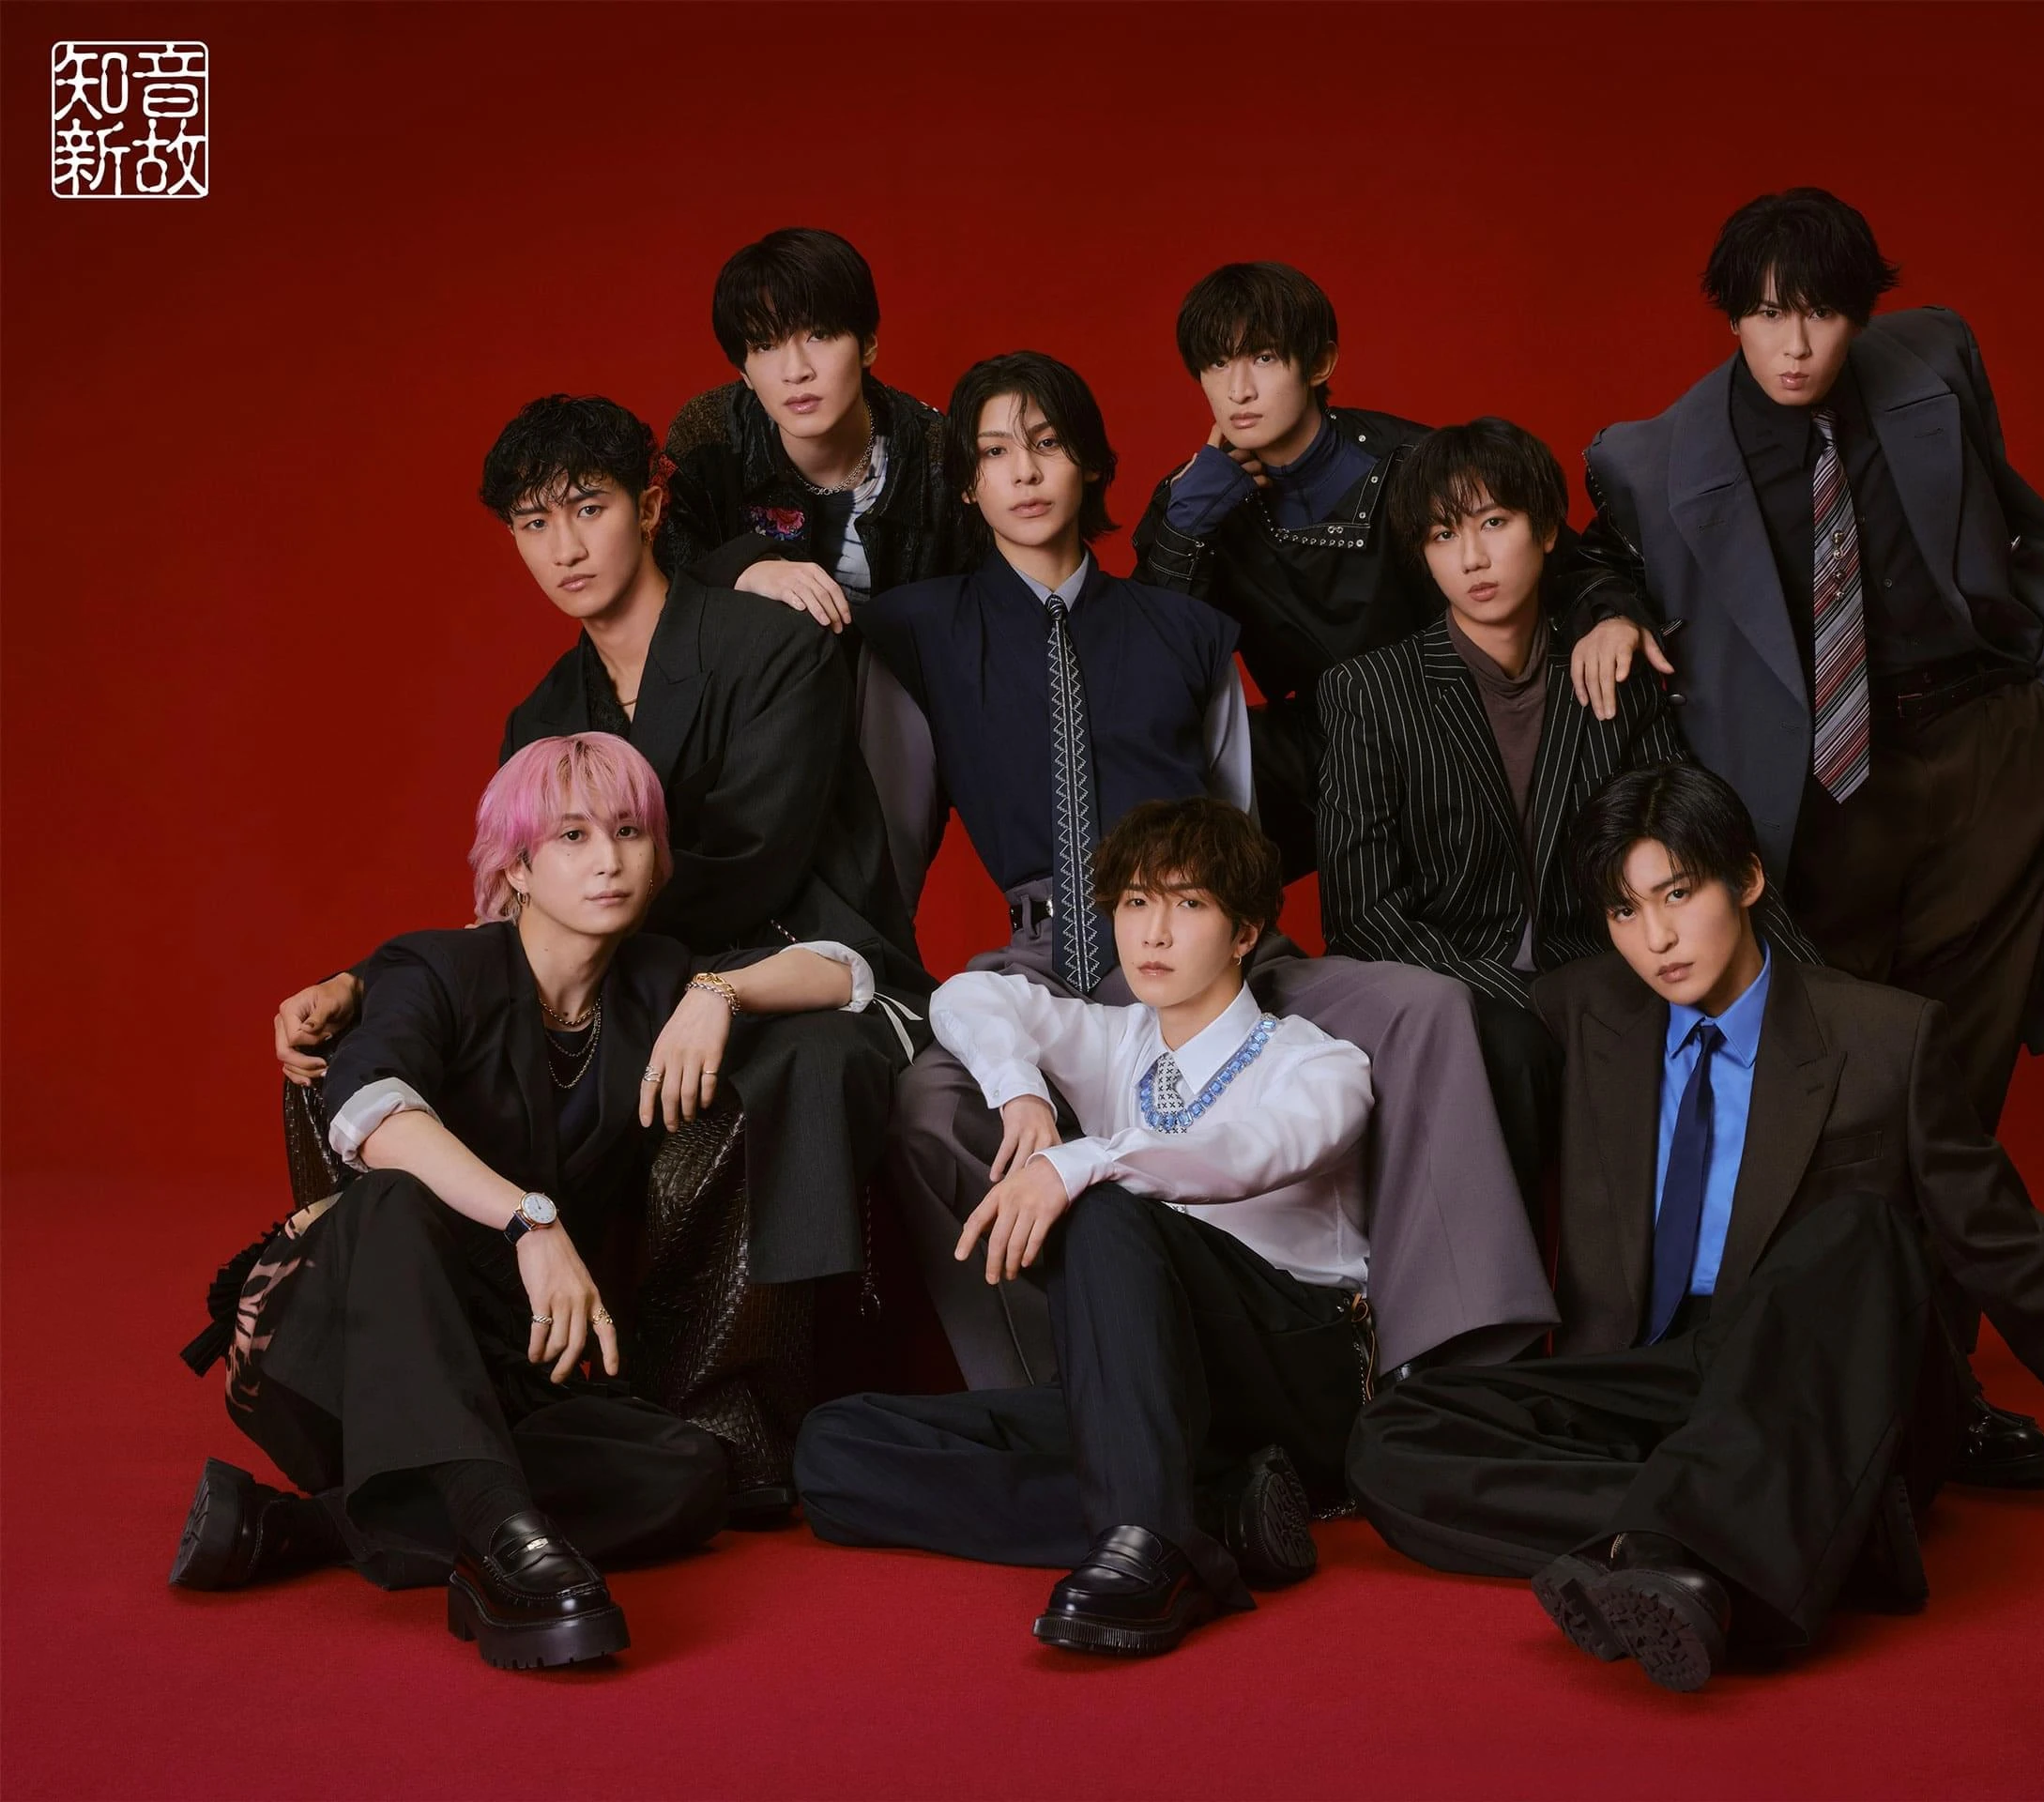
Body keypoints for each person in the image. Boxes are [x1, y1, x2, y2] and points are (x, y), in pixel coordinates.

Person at [1345, 762, 2044, 1694]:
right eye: (1624, 911)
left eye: (1678, 894)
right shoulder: (1581, 1011)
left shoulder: (1886, 1038)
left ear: (1746, 879)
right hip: (1658, 1377)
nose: (1657, 938)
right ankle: (1750, 1535)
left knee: (1859, 1231)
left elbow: (2013, 1255)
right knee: (1393, 1437)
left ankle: (1709, 1528)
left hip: (1811, 1387)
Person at [1573, 188, 2044, 1483]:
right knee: (1838, 1094)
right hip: (1814, 803)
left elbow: (2022, 516)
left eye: (1824, 314)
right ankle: (1845, 1390)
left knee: (1954, 1084)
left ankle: (1938, 1394)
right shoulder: (1651, 455)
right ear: (1729, 314)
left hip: (1988, 761)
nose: (1796, 345)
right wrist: (1611, 607)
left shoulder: (1937, 359)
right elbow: (1595, 557)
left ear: (1863, 312)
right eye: (1768, 315)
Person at [270, 395, 930, 1510]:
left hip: (794, 958)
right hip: (627, 983)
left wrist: (701, 987)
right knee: (450, 1049)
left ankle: (751, 1409)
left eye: (589, 509)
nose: (565, 547)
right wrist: (360, 980)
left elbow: (751, 862)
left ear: (651, 506)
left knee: (774, 1075)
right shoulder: (542, 714)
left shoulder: (768, 645)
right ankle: (478, 1355)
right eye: (534, 524)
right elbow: (512, 896)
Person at [862, 353, 1555, 1393]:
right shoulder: (917, 632)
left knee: (1426, 1008)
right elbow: (893, 834)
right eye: (996, 453)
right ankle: (1055, 1388)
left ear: (1091, 463)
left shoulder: (1183, 630)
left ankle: (1443, 1358)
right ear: (967, 482)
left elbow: (1235, 822)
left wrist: (1223, 935)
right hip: (1043, 951)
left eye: (1047, 445)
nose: (1025, 473)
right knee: (929, 1104)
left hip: (1212, 937)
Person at [175, 735, 892, 1669]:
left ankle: (308, 1527)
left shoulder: (651, 982)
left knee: (691, 1475)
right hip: (346, 1347)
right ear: (515, 867)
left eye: (629, 832)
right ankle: (505, 1558)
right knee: (395, 1203)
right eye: (572, 836)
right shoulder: (434, 969)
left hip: (498, 1372)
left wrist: (718, 992)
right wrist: (530, 1219)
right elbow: (369, 1112)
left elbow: (849, 974)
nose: (608, 861)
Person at [798, 798, 1374, 1657]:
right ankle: (1212, 1517)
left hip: (1294, 1376)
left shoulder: (1320, 1064)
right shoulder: (1118, 1040)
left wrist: (1081, 1160)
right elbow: (969, 994)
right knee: (834, 1450)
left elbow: (1249, 1153)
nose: (1153, 933)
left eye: (1188, 904)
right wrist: (1020, 1092)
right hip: (1155, 1391)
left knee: (1103, 1208)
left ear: (1245, 932)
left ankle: (1152, 1545)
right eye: (1136, 903)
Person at [1319, 418, 1813, 1215]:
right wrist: (1528, 999)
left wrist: (1819, 996)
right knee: (1514, 1054)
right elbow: (1362, 914)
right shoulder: (1372, 693)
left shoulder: (1611, 672)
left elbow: (1692, 839)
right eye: (1444, 535)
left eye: (1493, 522)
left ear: (1547, 529)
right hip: (1450, 984)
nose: (1472, 559)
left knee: (1730, 1048)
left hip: (1604, 970)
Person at [1132, 262, 1649, 878]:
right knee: (1169, 772)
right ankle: (1213, 934)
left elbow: (1564, 565)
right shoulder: (1194, 497)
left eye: (1263, 358)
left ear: (1319, 363)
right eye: (1217, 364)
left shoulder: (1415, 463)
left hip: (1457, 719)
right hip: (1324, 742)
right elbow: (1150, 672)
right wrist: (1186, 528)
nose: (1238, 390)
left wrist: (1612, 616)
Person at [655, 225, 979, 624]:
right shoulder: (709, 436)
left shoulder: (937, 456)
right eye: (765, 346)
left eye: (819, 335)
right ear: (744, 372)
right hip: (759, 663)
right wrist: (742, 569)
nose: (796, 371)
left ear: (868, 345)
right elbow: (660, 568)